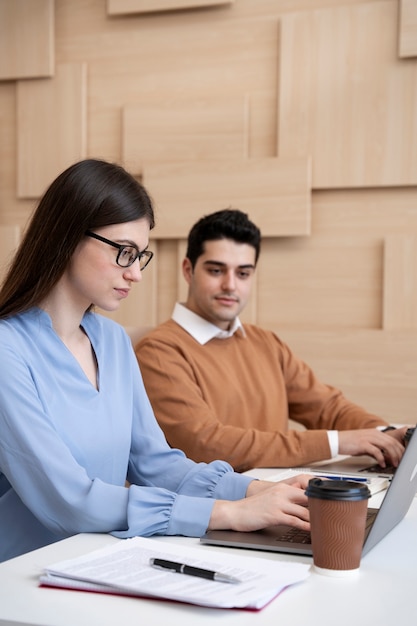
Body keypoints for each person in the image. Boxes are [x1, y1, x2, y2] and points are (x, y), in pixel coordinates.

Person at [0, 160, 312, 563]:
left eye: (140, 257)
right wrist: (227, 513)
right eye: (124, 253)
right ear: (67, 236)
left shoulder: (112, 341)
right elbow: (69, 501)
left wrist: (256, 492)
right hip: (21, 579)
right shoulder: (8, 349)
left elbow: (156, 463)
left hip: (96, 564)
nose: (136, 274)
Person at [135, 209, 409, 473]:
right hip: (216, 513)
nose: (231, 285)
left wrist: (385, 435)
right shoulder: (159, 351)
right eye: (216, 271)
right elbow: (206, 444)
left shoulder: (265, 342)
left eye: (243, 273)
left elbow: (327, 407)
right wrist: (337, 443)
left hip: (280, 500)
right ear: (188, 270)